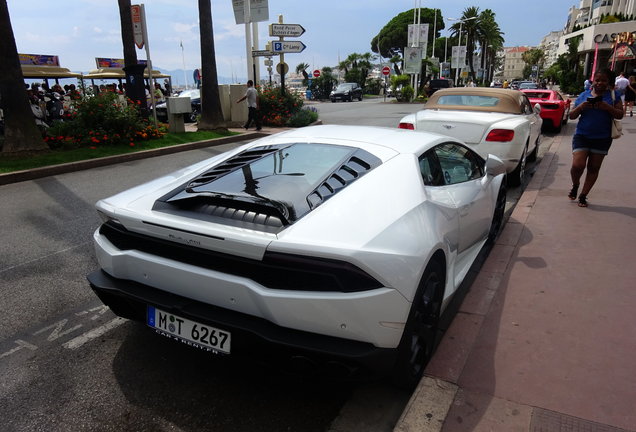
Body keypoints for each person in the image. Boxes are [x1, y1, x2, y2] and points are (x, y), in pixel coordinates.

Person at [568, 68, 624, 207]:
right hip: (582, 135)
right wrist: (582, 106)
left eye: (603, 80)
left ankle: (583, 195)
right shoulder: (584, 95)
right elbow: (572, 116)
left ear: (609, 82)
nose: (600, 83)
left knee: (593, 168)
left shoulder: (613, 96)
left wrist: (606, 107)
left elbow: (619, 114)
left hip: (602, 138)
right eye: (597, 80)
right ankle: (575, 185)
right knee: (577, 165)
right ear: (593, 81)